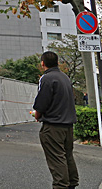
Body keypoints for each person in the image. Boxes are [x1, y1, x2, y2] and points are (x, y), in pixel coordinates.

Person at [33, 51, 79, 189]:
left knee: (57, 158)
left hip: (53, 126)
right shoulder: (65, 77)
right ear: (57, 62)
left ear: (43, 63)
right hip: (68, 125)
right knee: (67, 155)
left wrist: (37, 115)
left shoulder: (46, 78)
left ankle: (61, 185)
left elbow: (42, 102)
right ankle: (72, 183)